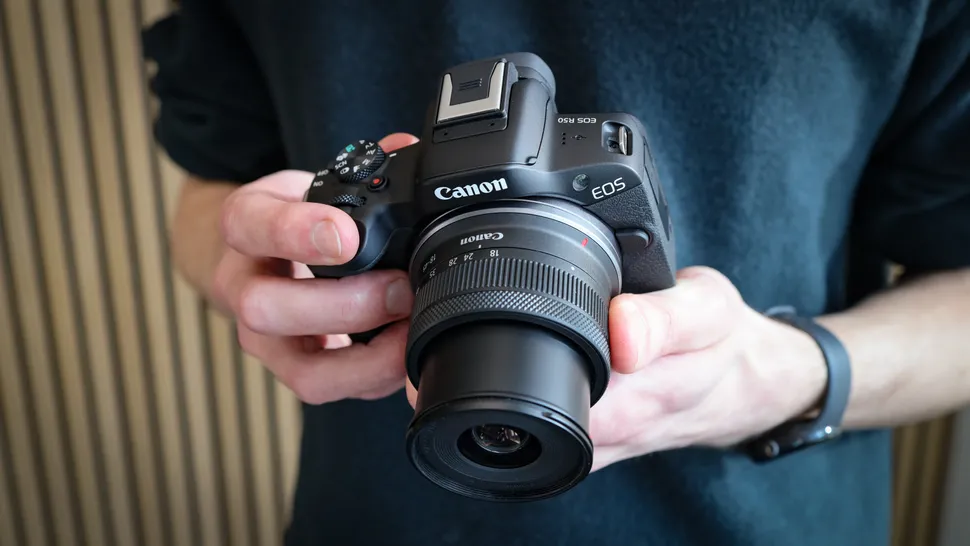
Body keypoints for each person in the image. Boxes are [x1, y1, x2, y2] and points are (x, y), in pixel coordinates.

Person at [142, 1, 969, 544]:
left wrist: (775, 376)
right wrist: (254, 263)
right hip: (372, 515)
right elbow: (213, 183)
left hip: (759, 520)